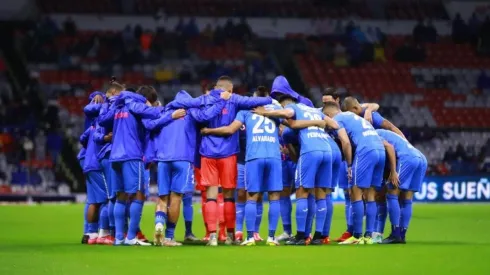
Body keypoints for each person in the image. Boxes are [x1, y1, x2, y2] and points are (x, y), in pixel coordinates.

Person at [165, 76, 272, 246]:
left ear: (215, 87)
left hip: (208, 153)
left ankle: (213, 236)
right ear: (230, 89)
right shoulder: (234, 98)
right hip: (228, 153)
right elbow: (265, 99)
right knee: (229, 196)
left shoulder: (204, 99)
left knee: (211, 196)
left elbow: (185, 106)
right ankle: (230, 236)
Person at [253, 76, 339, 245]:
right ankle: (319, 236)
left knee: (302, 192)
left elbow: (286, 113)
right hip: (327, 150)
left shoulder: (292, 108)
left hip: (311, 151)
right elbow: (335, 126)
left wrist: (265, 113)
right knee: (321, 193)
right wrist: (316, 123)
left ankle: (300, 236)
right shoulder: (314, 110)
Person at [146, 89, 230, 246]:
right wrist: (221, 101)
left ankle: (158, 225)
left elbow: (151, 126)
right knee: (176, 197)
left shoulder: (164, 112)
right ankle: (169, 237)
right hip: (182, 159)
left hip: (163, 159)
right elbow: (207, 115)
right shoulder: (191, 112)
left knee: (163, 198)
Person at [98, 90, 163, 246]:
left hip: (115, 157)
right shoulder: (135, 105)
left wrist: (108, 104)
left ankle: (119, 238)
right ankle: (131, 237)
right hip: (131, 156)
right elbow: (153, 113)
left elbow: (102, 121)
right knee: (138, 195)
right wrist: (160, 108)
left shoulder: (117, 107)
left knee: (120, 197)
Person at [324, 102, 386, 244]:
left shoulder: (337, 119)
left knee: (355, 191)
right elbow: (374, 105)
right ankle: (369, 236)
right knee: (370, 194)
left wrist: (350, 165)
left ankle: (356, 236)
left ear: (328, 116)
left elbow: (345, 142)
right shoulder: (352, 116)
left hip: (365, 150)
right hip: (379, 149)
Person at [376, 129, 427, 244]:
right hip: (420, 157)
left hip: (407, 158)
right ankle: (402, 235)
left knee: (391, 194)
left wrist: (393, 171)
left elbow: (389, 147)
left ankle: (395, 234)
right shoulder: (386, 133)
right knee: (406, 199)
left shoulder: (374, 135)